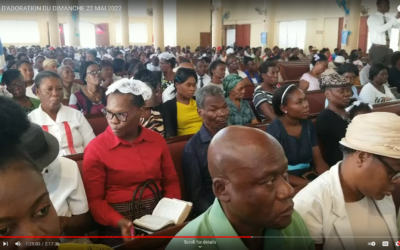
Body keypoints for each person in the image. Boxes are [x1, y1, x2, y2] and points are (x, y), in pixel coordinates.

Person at [166, 126, 314, 250]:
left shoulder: (291, 221)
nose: (288, 191)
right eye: (269, 181)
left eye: (285, 174)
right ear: (222, 189)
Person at [0, 96, 113, 250]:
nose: (34, 238)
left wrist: (64, 223)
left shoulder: (67, 167)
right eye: (3, 231)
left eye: (43, 211)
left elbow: (85, 219)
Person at [83, 78, 181, 247]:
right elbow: (95, 201)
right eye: (108, 112)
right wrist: (120, 222)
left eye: (121, 114)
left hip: (159, 217)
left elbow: (170, 180)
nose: (113, 120)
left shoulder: (156, 141)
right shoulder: (96, 148)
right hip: (117, 223)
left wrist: (167, 215)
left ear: (141, 111)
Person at [294, 112, 400, 250]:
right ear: (361, 157)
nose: (397, 181)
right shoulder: (309, 206)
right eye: (393, 172)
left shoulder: (379, 190)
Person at [268, 84, 329, 188]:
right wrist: (311, 185)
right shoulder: (274, 130)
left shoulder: (308, 125)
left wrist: (330, 178)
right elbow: (276, 173)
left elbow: (318, 161)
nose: (306, 105)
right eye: (299, 102)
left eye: (305, 100)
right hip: (286, 182)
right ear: (284, 108)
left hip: (309, 176)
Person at [182, 85, 229, 216]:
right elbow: (196, 197)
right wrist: (220, 217)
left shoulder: (236, 136)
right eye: (214, 109)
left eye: (224, 107)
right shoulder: (193, 149)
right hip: (215, 209)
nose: (223, 113)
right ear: (200, 112)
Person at [28, 71, 96, 156]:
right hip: (48, 168)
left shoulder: (76, 115)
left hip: (80, 165)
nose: (55, 94)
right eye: (49, 89)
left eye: (59, 89)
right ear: (38, 92)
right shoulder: (30, 121)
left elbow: (92, 146)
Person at [316, 73, 352, 167]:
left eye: (348, 90)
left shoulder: (350, 112)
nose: (347, 94)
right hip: (341, 164)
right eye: (341, 91)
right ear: (328, 94)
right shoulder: (325, 117)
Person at [163, 68, 202, 137]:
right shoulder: (168, 107)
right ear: (177, 85)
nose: (192, 89)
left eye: (194, 85)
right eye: (188, 85)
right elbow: (170, 134)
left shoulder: (200, 102)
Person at [367, 0, 400, 66]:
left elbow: (397, 26)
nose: (389, 6)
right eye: (387, 4)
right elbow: (380, 30)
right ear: (379, 5)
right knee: (377, 70)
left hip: (387, 48)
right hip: (377, 49)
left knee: (386, 69)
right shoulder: (373, 17)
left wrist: (397, 19)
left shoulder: (387, 19)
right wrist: (395, 17)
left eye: (389, 5)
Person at [134, 69, 164, 136]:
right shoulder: (132, 115)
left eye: (160, 89)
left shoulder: (163, 110)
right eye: (156, 91)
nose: (159, 94)